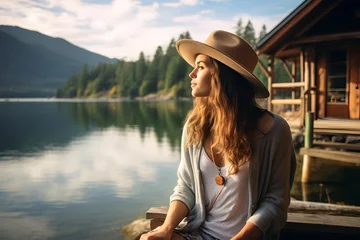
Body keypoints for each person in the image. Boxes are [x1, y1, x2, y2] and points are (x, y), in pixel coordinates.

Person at [141, 30, 296, 240]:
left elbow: (276, 201)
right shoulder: (194, 127)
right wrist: (167, 228)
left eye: (201, 66)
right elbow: (185, 186)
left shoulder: (273, 130)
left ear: (222, 75)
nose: (192, 74)